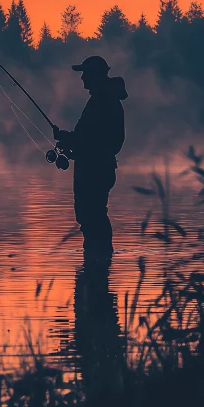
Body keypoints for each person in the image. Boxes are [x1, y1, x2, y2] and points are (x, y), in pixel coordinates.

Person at [53, 55, 128, 256]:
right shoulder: (101, 99)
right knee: (92, 215)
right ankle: (98, 259)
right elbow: (90, 138)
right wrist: (69, 140)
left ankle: (98, 257)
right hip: (96, 167)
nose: (82, 78)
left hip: (95, 169)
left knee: (93, 215)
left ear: (95, 75)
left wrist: (69, 139)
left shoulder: (103, 101)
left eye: (85, 73)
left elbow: (93, 139)